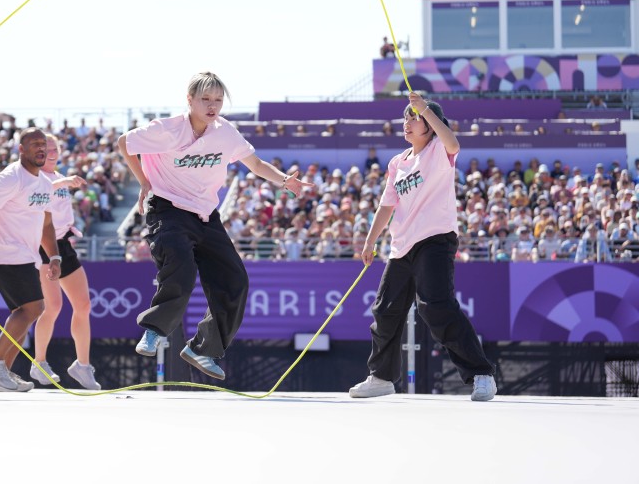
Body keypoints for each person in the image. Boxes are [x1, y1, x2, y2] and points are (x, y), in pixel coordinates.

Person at [117, 72, 315, 380]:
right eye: (206, 99)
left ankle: (202, 349)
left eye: (218, 100)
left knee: (235, 280)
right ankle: (155, 330)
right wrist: (143, 181)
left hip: (207, 216)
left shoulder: (226, 133)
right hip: (168, 211)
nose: (213, 106)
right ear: (190, 100)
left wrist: (285, 181)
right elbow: (123, 143)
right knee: (181, 267)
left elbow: (256, 165)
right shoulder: (167, 130)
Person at [350, 91, 497, 401]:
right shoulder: (397, 162)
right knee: (386, 311)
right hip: (401, 246)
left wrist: (425, 110)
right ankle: (381, 377)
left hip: (435, 239)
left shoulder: (439, 151)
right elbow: (387, 205)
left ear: (430, 126)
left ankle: (481, 373)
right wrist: (370, 240)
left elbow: (454, 143)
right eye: (406, 117)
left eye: (414, 118)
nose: (408, 122)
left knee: (437, 307)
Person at [0, 128, 61, 392]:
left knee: (23, 313)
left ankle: (1, 377)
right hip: (8, 253)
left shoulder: (45, 183)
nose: (40, 148)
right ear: (21, 149)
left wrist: (54, 255)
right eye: (34, 144)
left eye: (43, 144)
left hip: (29, 256)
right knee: (33, 309)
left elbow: (47, 225)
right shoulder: (11, 177)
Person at [29, 133, 101, 390]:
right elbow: (42, 190)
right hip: (43, 244)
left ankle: (82, 365)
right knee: (53, 307)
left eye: (55, 148)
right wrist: (65, 182)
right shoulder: (35, 176)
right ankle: (39, 363)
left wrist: (64, 181)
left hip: (63, 244)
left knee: (83, 305)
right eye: (46, 148)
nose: (51, 151)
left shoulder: (58, 176)